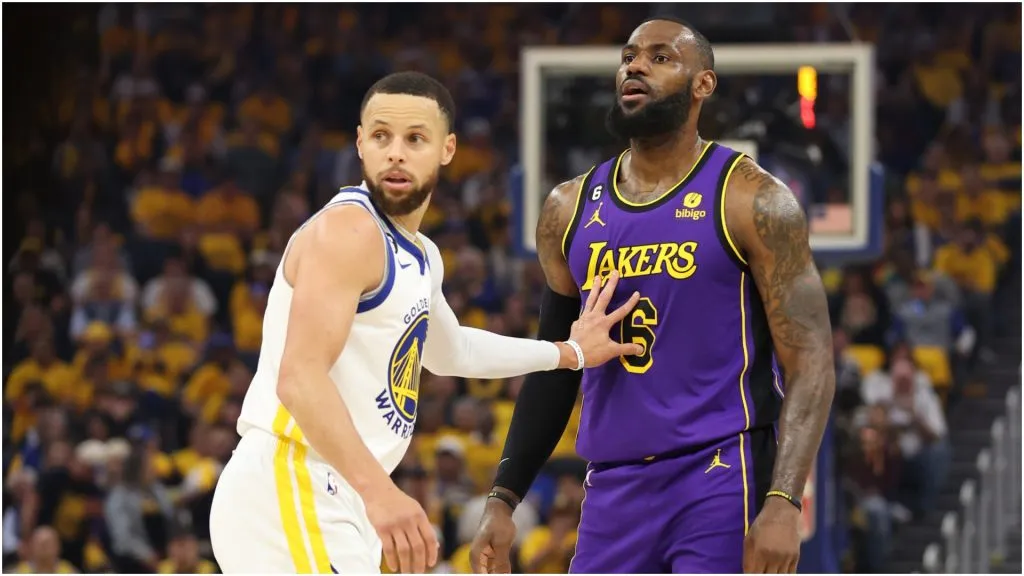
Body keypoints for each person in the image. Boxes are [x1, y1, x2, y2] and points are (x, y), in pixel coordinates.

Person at [208, 71, 642, 574]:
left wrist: (569, 352)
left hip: (339, 487)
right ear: (360, 144)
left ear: (447, 148)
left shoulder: (420, 253)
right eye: (380, 136)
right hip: (295, 476)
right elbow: (299, 379)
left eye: (415, 139)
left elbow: (451, 351)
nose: (395, 152)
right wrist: (382, 493)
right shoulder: (349, 230)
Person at [471, 18, 836, 574]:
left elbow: (811, 362)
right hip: (612, 485)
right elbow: (556, 364)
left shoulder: (752, 198)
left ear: (703, 85)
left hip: (719, 473)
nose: (635, 66)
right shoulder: (568, 209)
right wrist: (503, 496)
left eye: (661, 57)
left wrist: (784, 501)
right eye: (629, 56)